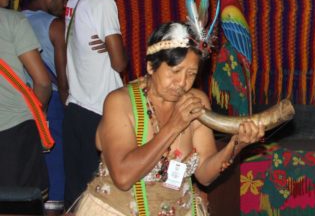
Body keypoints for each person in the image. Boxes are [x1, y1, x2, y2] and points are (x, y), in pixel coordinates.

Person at [74, 21, 264, 215]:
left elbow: (205, 175)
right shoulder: (120, 102)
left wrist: (236, 145)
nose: (182, 82)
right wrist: (174, 125)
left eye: (191, 74)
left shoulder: (196, 102)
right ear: (150, 66)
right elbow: (123, 177)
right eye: (175, 71)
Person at [63, 0, 134, 208]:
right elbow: (120, 63)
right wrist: (117, 49)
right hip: (99, 110)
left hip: (75, 108)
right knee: (103, 196)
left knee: (75, 196)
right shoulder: (104, 3)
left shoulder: (74, 0)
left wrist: (108, 46)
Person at [0, 0, 52, 196]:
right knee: (20, 202)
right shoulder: (14, 21)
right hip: (16, 129)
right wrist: (38, 110)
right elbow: (42, 81)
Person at [23, 0, 71, 215]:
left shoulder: (14, 19)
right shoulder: (55, 25)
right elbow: (62, 76)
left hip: (20, 99)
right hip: (50, 99)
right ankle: (54, 206)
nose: (65, 3)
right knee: (55, 157)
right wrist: (66, 103)